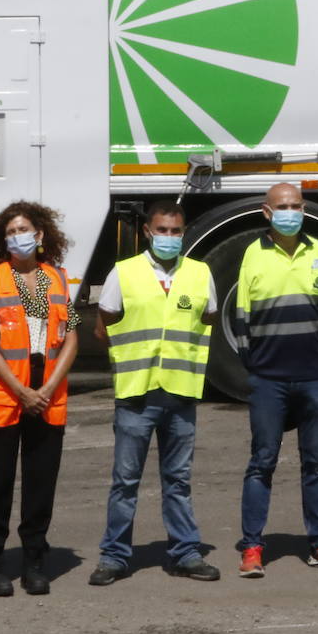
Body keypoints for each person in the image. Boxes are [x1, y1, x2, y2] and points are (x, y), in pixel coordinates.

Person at [88, 201, 221, 586]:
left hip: (180, 393)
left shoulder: (200, 273)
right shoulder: (124, 272)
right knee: (125, 481)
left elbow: (208, 319)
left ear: (184, 233)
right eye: (161, 231)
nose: (169, 238)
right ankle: (114, 556)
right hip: (136, 393)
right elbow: (105, 325)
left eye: (175, 231)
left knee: (178, 480)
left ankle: (186, 552)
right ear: (147, 232)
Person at [233, 182, 318, 576]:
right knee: (261, 462)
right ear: (267, 213)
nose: (291, 212)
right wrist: (259, 368)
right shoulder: (252, 254)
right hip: (269, 379)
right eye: (283, 206)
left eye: (297, 205)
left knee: (316, 463)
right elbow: (241, 322)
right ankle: (252, 547)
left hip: (315, 377)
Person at [0, 201, 80, 597]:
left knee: (41, 480)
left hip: (48, 394)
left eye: (24, 230)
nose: (18, 237)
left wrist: (47, 389)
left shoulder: (58, 278)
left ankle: (35, 557)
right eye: (10, 232)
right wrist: (21, 391)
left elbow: (71, 336)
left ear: (40, 234)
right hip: (6, 393)